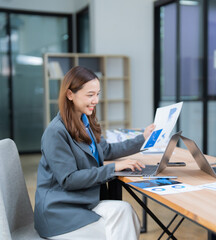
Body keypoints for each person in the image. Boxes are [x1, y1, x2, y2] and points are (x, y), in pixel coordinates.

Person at [34, 66, 155, 239]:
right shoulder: (56, 132)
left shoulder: (85, 120)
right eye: (90, 95)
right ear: (70, 95)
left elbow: (106, 150)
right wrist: (113, 168)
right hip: (59, 212)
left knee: (126, 212)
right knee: (116, 229)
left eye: (98, 94)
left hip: (81, 202)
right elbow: (69, 179)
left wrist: (143, 138)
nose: (96, 100)